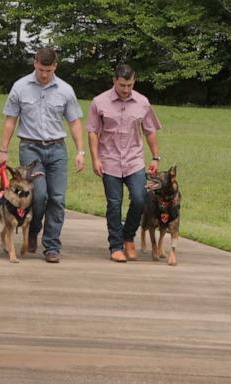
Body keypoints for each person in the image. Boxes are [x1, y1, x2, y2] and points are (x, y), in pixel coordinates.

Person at [0, 47, 85, 263]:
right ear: (35, 63)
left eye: (48, 69)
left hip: (57, 149)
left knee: (57, 198)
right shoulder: (20, 87)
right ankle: (33, 229)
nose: (44, 74)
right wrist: (3, 150)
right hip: (30, 148)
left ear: (55, 66)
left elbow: (74, 122)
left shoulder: (65, 90)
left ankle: (52, 246)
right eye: (40, 69)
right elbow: (10, 120)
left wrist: (80, 151)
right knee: (39, 194)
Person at [87, 63, 161, 262]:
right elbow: (93, 132)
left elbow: (150, 130)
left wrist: (155, 157)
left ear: (134, 81)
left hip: (134, 160)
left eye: (130, 85)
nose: (126, 90)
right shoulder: (99, 102)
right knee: (114, 204)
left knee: (140, 198)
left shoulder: (143, 102)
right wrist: (95, 159)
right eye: (122, 85)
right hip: (109, 160)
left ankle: (129, 237)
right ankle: (116, 246)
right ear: (114, 81)